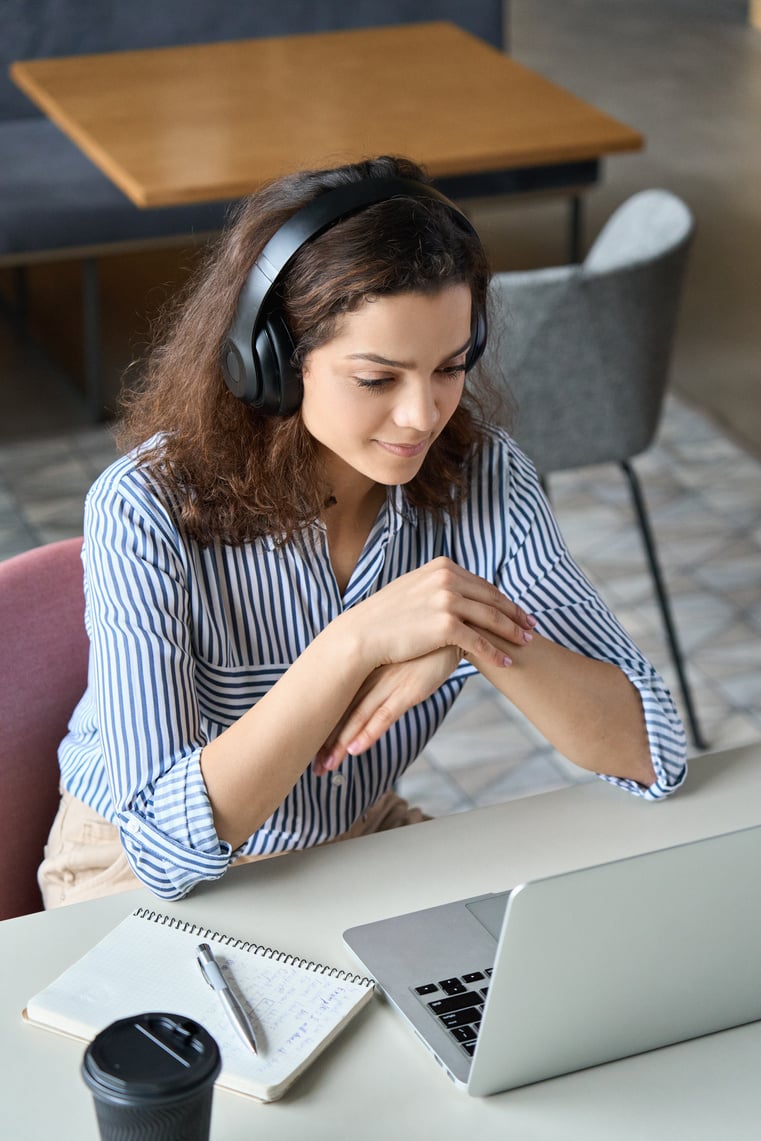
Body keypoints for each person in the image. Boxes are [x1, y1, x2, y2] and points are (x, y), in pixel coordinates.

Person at [39, 155, 687, 907]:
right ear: (271, 362)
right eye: (377, 378)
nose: (423, 414)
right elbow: (163, 848)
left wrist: (469, 636)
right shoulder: (143, 505)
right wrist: (357, 643)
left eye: (450, 366)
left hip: (350, 837)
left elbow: (655, 752)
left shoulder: (482, 476)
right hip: (130, 867)